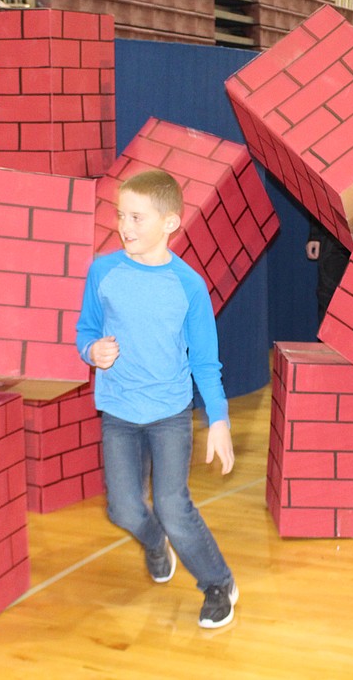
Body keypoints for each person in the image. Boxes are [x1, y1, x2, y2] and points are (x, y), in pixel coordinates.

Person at [75, 169, 238, 629]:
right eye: (121, 215)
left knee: (171, 504)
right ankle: (153, 542)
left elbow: (206, 361)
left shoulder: (188, 285)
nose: (125, 227)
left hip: (169, 414)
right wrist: (92, 350)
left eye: (138, 217)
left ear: (170, 222)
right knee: (124, 507)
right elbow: (85, 329)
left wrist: (219, 420)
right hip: (119, 412)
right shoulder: (103, 271)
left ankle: (217, 584)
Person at [306, 216, 350, 328]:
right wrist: (315, 234)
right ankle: (327, 343)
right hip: (333, 233)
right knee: (328, 295)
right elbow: (320, 199)